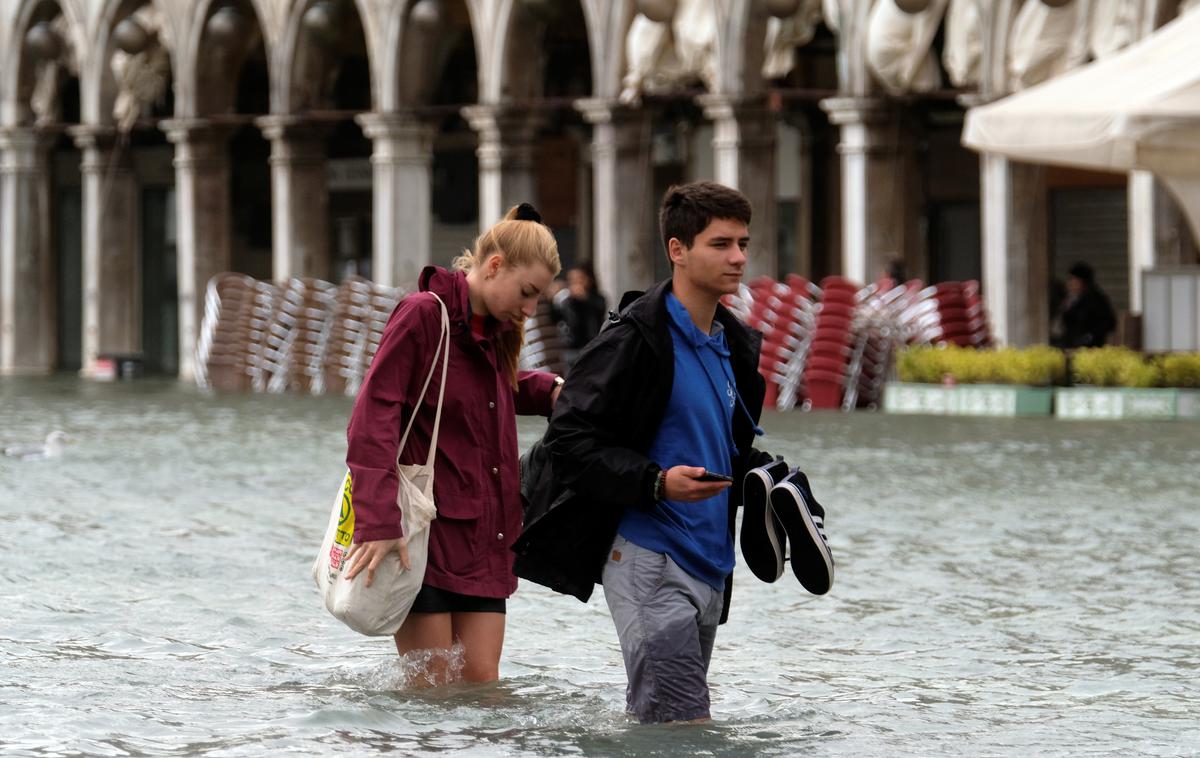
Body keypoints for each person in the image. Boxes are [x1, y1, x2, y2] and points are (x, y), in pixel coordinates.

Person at [514, 182, 833, 723]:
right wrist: (655, 483)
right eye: (720, 244)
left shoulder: (733, 344)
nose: (737, 257)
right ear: (677, 250)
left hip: (711, 563)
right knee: (683, 726)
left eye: (743, 243)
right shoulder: (633, 339)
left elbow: (719, 445)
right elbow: (568, 442)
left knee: (664, 724)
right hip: (648, 558)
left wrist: (768, 478)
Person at [343, 203, 563, 684]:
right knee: (432, 690)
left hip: (488, 537)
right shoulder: (424, 314)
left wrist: (549, 391)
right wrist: (380, 521)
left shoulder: (497, 333)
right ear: (494, 265)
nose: (529, 309)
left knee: (483, 686)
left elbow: (484, 390)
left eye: (538, 299)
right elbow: (371, 419)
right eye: (527, 293)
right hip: (422, 536)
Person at [552, 262, 608, 365]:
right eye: (571, 280)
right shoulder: (566, 300)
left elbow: (599, 310)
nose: (575, 283)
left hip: (591, 348)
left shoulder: (596, 299)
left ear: (588, 280)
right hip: (569, 350)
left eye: (580, 279)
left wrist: (584, 298)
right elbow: (554, 318)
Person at [1058, 261, 1117, 348]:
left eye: (1073, 280)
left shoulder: (1096, 300)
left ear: (1083, 281)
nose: (1070, 284)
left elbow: (1109, 322)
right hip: (1071, 344)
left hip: (1090, 347)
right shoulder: (1072, 299)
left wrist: (1090, 336)